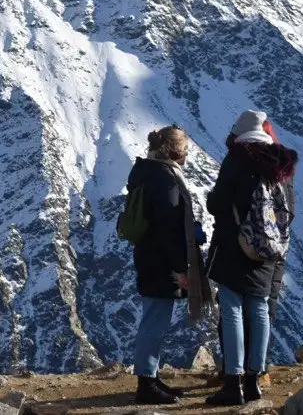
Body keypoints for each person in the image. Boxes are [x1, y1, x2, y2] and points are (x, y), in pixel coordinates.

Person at [205, 111, 298, 406]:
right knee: (259, 309)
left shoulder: (237, 160)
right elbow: (289, 211)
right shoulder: (280, 165)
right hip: (268, 249)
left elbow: (217, 203)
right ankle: (254, 378)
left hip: (235, 246)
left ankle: (233, 381)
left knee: (231, 308)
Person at [127, 125, 210, 406]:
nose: (187, 155)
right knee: (155, 321)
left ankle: (151, 376)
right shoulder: (166, 180)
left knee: (155, 318)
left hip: (148, 256)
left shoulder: (147, 174)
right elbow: (169, 228)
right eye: (185, 149)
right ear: (174, 150)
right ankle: (146, 385)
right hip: (161, 261)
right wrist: (180, 268)